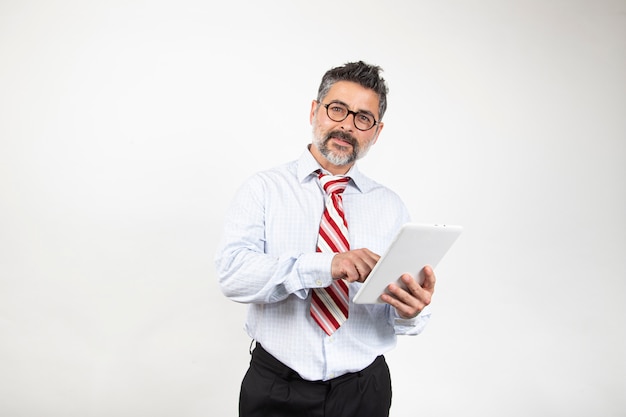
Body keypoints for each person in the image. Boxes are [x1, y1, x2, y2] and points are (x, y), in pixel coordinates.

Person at [215, 61, 436, 417]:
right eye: (337, 109)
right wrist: (327, 265)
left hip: (364, 390)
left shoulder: (390, 206)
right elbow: (233, 276)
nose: (347, 125)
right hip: (276, 387)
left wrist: (410, 311)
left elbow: (398, 316)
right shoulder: (263, 190)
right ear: (315, 110)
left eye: (363, 118)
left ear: (376, 132)